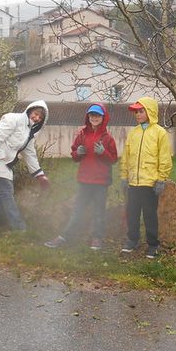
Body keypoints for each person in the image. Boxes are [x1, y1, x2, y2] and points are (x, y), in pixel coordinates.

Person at [44, 103, 118, 250]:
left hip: (100, 182)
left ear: (103, 118)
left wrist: (103, 152)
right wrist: (78, 152)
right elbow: (74, 157)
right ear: (88, 117)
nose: (94, 118)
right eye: (91, 115)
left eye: (97, 115)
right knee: (77, 211)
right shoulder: (82, 135)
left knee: (99, 212)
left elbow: (113, 160)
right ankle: (65, 236)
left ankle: (97, 239)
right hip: (84, 180)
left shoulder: (108, 138)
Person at [0, 100, 50, 231]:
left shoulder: (29, 133)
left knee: (4, 193)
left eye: (40, 117)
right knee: (7, 191)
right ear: (30, 110)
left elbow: (30, 154)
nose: (37, 118)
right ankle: (19, 227)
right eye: (36, 113)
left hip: (4, 162)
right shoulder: (13, 119)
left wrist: (40, 175)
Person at [118, 96, 172, 258]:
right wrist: (124, 176)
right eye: (136, 112)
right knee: (132, 212)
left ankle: (153, 244)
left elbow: (164, 158)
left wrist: (161, 179)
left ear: (150, 111)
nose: (138, 114)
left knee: (150, 214)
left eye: (141, 111)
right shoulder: (133, 133)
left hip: (150, 183)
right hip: (133, 182)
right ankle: (132, 240)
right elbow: (126, 157)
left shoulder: (159, 133)